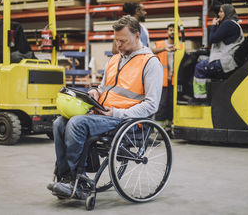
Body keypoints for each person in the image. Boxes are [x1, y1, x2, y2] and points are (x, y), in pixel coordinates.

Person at [48, 15, 163, 198]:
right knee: (59, 123)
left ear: (137, 35)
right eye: (116, 40)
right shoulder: (114, 60)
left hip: (127, 121)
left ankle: (78, 181)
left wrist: (117, 112)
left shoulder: (150, 63)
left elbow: (152, 105)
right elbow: (103, 87)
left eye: (122, 40)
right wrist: (95, 92)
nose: (118, 44)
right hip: (103, 114)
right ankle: (65, 177)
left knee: (77, 123)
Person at [193, 4, 244, 99]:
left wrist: (213, 26)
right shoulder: (235, 24)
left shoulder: (228, 24)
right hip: (228, 60)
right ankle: (208, 95)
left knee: (199, 67)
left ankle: (200, 97)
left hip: (224, 61)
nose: (219, 14)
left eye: (221, 12)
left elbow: (213, 39)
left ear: (227, 13)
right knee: (204, 62)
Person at [152, 24, 177, 136]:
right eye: (170, 30)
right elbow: (151, 50)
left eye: (174, 30)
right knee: (162, 105)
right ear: (167, 32)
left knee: (171, 106)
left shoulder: (179, 46)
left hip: (174, 81)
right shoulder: (161, 44)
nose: (172, 32)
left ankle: (167, 129)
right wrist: (164, 49)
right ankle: (158, 130)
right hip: (162, 81)